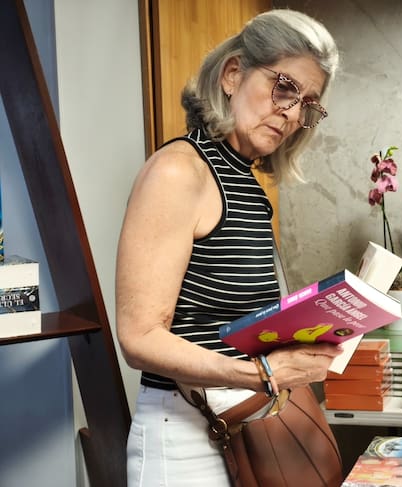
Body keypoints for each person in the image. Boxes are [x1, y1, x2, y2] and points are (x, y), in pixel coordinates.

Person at [115, 8, 342, 486]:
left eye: (307, 104)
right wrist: (263, 374)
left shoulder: (248, 184)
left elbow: (231, 322)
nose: (292, 113)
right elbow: (140, 338)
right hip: (184, 443)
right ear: (233, 74)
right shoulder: (179, 171)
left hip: (242, 428)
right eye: (284, 87)